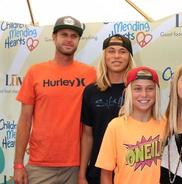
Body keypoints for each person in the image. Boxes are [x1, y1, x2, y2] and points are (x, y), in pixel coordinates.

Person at [13, 16, 96, 184]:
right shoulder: (35, 71)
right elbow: (25, 120)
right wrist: (18, 164)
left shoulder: (91, 74)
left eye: (74, 36)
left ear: (79, 40)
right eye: (64, 34)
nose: (68, 39)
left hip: (75, 166)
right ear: (53, 37)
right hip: (39, 166)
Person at [78, 34, 135, 184]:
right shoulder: (91, 91)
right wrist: (82, 174)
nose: (116, 56)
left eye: (122, 51)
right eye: (111, 51)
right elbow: (87, 136)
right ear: (104, 56)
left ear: (129, 57)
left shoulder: (137, 91)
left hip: (129, 171)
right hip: (97, 171)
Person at [95, 66, 166, 184]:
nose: (144, 94)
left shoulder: (166, 125)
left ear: (156, 92)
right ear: (128, 92)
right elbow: (106, 172)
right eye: (137, 89)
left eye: (149, 88)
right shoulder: (115, 126)